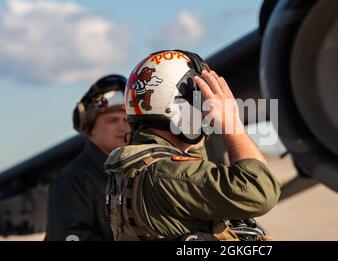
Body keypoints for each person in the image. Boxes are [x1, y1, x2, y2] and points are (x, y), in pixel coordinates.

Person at [104, 50, 281, 241]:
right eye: (201, 102)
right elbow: (259, 190)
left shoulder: (136, 167)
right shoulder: (165, 173)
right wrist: (231, 123)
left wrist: (196, 136)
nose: (207, 112)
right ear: (177, 105)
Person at [46, 75, 131, 241]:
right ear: (90, 127)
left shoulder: (138, 172)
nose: (123, 127)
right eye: (112, 120)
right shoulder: (72, 181)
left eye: (127, 119)